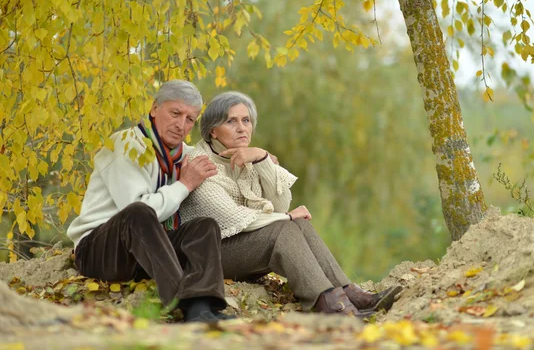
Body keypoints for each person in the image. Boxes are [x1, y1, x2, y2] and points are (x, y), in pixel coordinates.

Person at [179, 91, 401, 317]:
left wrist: (263, 159)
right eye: (231, 121)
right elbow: (237, 219)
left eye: (246, 120)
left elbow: (280, 204)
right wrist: (287, 218)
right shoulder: (201, 166)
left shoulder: (246, 157)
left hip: (243, 249)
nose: (242, 128)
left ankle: (351, 295)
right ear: (212, 130)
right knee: (285, 227)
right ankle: (331, 308)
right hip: (211, 259)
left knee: (299, 225)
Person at [67, 79, 233, 323]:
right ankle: (181, 304)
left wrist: (258, 158)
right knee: (139, 212)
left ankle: (201, 308)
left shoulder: (185, 155)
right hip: (100, 251)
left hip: (148, 253)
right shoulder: (125, 145)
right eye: (175, 113)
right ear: (155, 109)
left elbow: (228, 175)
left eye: (190, 119)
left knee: (204, 226)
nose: (181, 125)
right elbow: (143, 213)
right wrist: (185, 184)